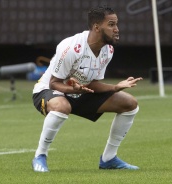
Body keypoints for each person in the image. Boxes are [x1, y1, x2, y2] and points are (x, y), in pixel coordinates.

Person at [31, 5, 143, 172]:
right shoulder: (70, 48)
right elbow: (54, 83)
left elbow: (94, 84)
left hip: (81, 92)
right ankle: (40, 156)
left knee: (130, 104)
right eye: (111, 24)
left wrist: (115, 87)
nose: (117, 29)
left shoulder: (108, 50)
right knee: (62, 106)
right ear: (97, 27)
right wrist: (74, 89)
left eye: (116, 24)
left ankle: (108, 159)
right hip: (49, 90)